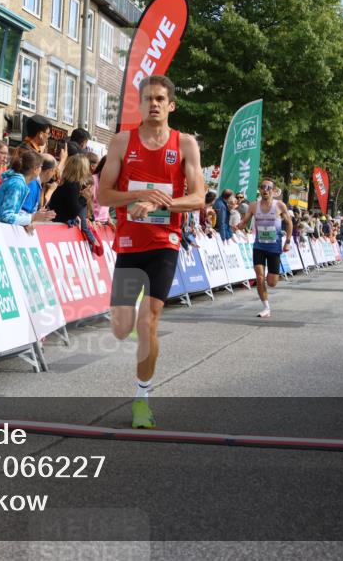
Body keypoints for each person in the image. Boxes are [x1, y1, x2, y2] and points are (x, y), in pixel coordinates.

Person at [98, 75, 204, 430]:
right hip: (129, 244)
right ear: (139, 105)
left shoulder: (185, 144)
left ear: (171, 105)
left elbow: (199, 197)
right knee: (120, 327)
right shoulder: (121, 142)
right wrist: (136, 199)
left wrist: (166, 203)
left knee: (148, 322)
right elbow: (103, 196)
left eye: (160, 99)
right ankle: (135, 331)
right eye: (148, 99)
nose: (154, 104)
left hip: (164, 243)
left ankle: (142, 398)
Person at [236, 178, 294, 318]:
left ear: (273, 191)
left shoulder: (279, 205)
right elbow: (245, 222)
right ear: (260, 190)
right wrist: (239, 226)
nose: (265, 190)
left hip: (274, 247)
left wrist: (287, 241)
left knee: (272, 282)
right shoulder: (253, 206)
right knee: (260, 277)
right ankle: (266, 307)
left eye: (268, 188)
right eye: (262, 187)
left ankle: (270, 280)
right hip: (259, 246)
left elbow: (290, 223)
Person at [0, 149, 54, 231]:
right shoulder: (17, 184)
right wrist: (33, 217)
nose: (41, 170)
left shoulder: (18, 182)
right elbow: (6, 216)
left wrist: (29, 220)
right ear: (35, 169)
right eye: (41, 166)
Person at [47, 154, 102, 255]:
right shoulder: (72, 185)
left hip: (58, 225)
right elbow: (74, 210)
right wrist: (84, 198)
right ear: (82, 169)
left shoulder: (69, 183)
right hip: (57, 227)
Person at [92, 156, 111, 225]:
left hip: (104, 222)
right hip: (95, 222)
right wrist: (92, 220)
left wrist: (108, 217)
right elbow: (89, 202)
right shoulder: (93, 179)